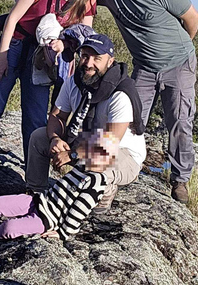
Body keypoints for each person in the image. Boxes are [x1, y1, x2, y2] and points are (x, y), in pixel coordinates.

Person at [0, 0, 106, 187]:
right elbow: (13, 17)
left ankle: (33, 177)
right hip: (14, 45)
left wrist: (63, 45)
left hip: (43, 59)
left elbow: (84, 37)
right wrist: (1, 56)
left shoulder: (88, 2)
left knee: (35, 119)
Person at [93, 0, 198, 204]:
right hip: (144, 67)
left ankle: (180, 180)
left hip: (179, 64)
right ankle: (116, 173)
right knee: (128, 118)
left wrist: (173, 52)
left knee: (178, 121)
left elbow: (192, 19)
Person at [25, 34, 145, 212]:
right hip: (86, 141)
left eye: (97, 58)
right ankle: (35, 194)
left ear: (110, 61)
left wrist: (72, 156)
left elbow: (109, 144)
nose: (89, 63)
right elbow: (57, 116)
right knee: (39, 137)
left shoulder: (120, 94)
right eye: (85, 56)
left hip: (121, 154)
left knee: (98, 166)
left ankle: (107, 190)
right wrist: (55, 139)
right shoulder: (74, 82)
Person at [0, 129, 117, 242]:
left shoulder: (96, 182)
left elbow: (80, 210)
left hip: (48, 219)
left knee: (9, 228)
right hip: (39, 200)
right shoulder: (82, 166)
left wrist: (64, 233)